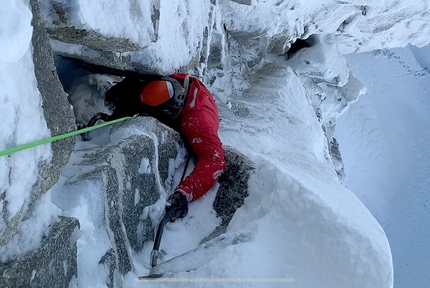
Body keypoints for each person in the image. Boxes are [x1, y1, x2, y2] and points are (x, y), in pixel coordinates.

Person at [90, 73, 226, 221]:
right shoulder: (167, 83)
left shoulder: (198, 122)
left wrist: (185, 193)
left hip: (197, 110)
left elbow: (215, 160)